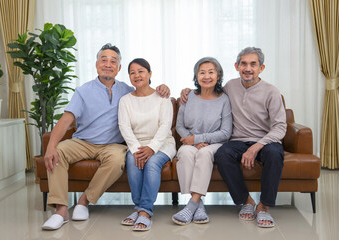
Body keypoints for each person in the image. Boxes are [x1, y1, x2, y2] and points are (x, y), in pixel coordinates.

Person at [42, 44, 170, 230]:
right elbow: (65, 120)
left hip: (113, 145)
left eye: (113, 61)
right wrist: (51, 146)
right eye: (104, 60)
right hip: (83, 142)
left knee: (118, 159)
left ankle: (84, 201)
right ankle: (61, 210)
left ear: (119, 68)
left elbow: (147, 93)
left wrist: (164, 87)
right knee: (58, 152)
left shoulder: (128, 90)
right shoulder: (83, 91)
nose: (108, 64)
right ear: (96, 65)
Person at [214, 47, 287, 228]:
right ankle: (247, 201)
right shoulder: (229, 87)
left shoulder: (272, 92)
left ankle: (264, 206)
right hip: (238, 141)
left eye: (253, 64)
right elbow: (208, 94)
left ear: (261, 68)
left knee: (275, 153)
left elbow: (280, 126)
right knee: (222, 154)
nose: (248, 68)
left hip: (265, 141)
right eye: (244, 64)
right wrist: (187, 91)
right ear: (237, 66)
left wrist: (256, 147)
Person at [172, 57, 232, 226]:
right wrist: (193, 142)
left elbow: (226, 132)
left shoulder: (224, 100)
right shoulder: (188, 96)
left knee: (205, 154)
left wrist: (198, 139)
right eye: (202, 72)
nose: (206, 76)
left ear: (218, 76)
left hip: (214, 143)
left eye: (211, 72)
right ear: (196, 76)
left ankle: (191, 205)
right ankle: (198, 204)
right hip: (190, 143)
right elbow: (179, 126)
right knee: (184, 152)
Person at [118, 58, 176, 231]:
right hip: (137, 144)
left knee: (151, 163)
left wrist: (152, 148)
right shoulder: (125, 100)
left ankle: (145, 212)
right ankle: (139, 208)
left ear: (150, 74)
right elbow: (124, 127)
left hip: (162, 143)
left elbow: (165, 125)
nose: (137, 75)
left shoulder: (162, 97)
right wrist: (136, 149)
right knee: (132, 161)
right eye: (132, 72)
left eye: (141, 71)